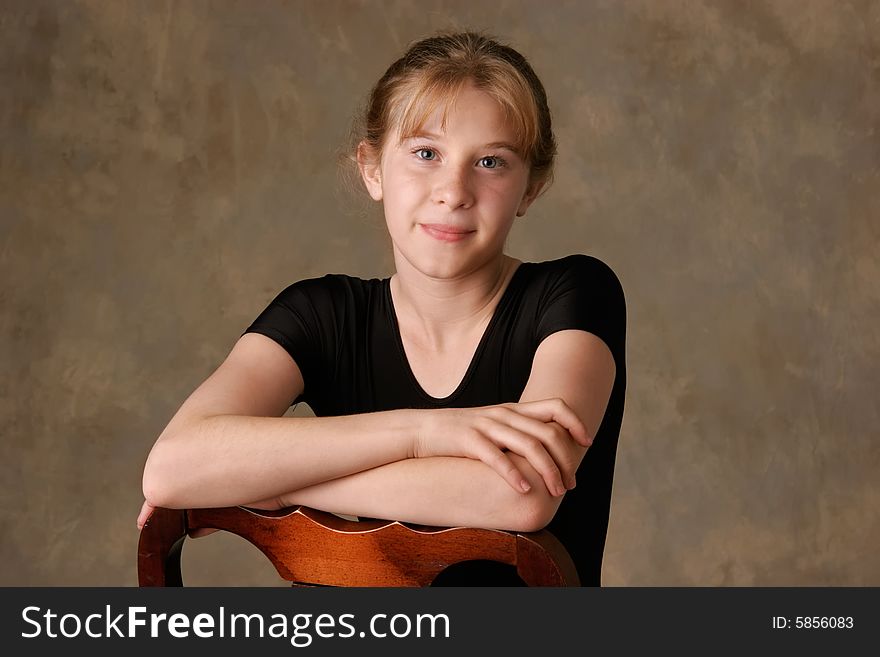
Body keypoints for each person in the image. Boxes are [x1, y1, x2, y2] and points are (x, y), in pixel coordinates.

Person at [138, 31, 626, 586]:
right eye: (425, 154)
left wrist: (276, 486)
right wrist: (422, 434)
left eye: (491, 162)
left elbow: (518, 498)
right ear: (373, 169)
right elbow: (173, 466)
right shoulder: (320, 313)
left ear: (531, 189)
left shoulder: (576, 293)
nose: (453, 190)